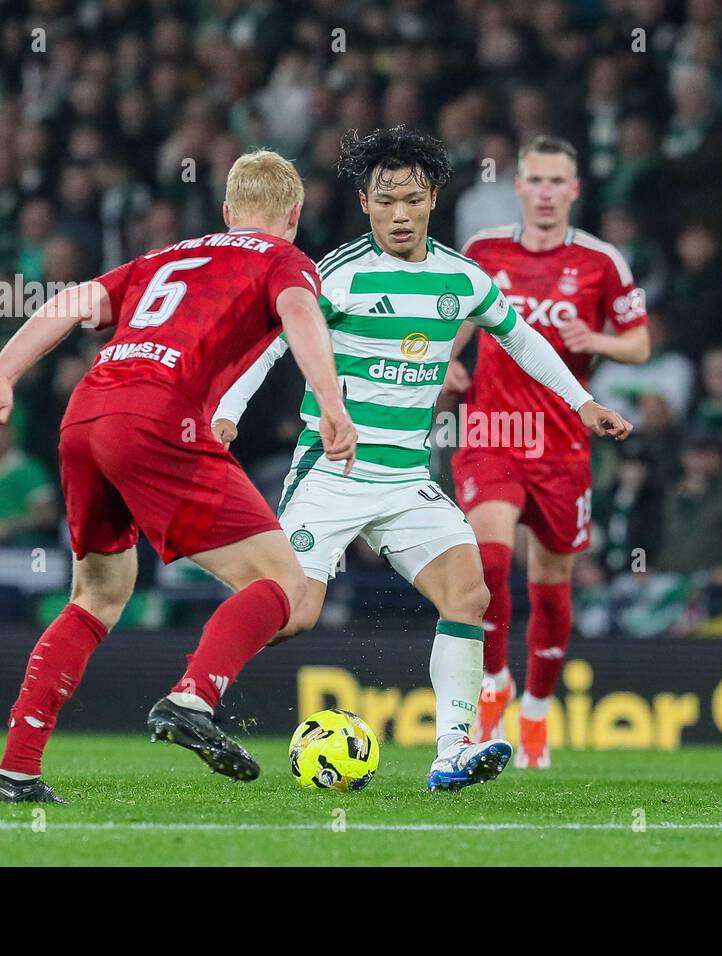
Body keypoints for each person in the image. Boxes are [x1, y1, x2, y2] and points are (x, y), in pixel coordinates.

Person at [211, 126, 633, 790]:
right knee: (296, 615)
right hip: (332, 473)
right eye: (386, 201)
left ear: (433, 197)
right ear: (364, 202)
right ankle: (196, 688)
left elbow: (521, 339)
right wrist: (229, 410)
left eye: (412, 199)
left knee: (470, 593)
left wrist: (582, 403)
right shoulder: (333, 275)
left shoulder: (462, 279)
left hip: (407, 479)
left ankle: (452, 749)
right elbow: (268, 342)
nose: (400, 215)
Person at [0, 149, 356, 803]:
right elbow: (300, 314)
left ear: (229, 213)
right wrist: (331, 402)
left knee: (96, 596)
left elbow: (68, 303)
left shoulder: (164, 258)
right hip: (158, 418)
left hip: (85, 415)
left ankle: (16, 771)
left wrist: (0, 373)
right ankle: (193, 698)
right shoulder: (286, 261)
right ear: (294, 215)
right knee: (284, 585)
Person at [443, 135, 650, 768]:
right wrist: (449, 361)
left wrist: (597, 340)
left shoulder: (601, 261)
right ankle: (495, 681)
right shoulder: (484, 251)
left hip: (563, 443)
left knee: (552, 583)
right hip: (491, 433)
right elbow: (461, 316)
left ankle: (535, 709)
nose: (545, 192)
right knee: (489, 556)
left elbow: (639, 344)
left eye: (557, 181)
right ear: (519, 186)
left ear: (575, 189)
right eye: (534, 180)